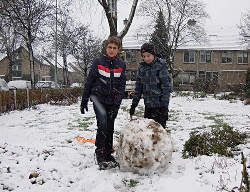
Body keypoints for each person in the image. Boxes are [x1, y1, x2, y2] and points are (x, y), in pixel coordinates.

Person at [80, 36, 126, 169]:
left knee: (110, 125)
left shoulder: (121, 65)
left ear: (118, 50)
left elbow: (121, 87)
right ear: (106, 48)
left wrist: (116, 104)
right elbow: (90, 81)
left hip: (112, 101)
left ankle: (108, 151)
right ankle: (100, 151)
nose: (112, 50)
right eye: (110, 47)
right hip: (98, 98)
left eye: (115, 48)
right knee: (103, 124)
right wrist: (84, 99)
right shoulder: (98, 62)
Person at [129, 42, 171, 128]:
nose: (146, 58)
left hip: (159, 106)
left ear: (153, 54)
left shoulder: (160, 66)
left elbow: (166, 87)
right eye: (144, 56)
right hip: (148, 106)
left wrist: (165, 107)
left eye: (148, 55)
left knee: (159, 134)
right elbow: (138, 88)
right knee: (148, 133)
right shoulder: (142, 68)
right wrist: (133, 105)